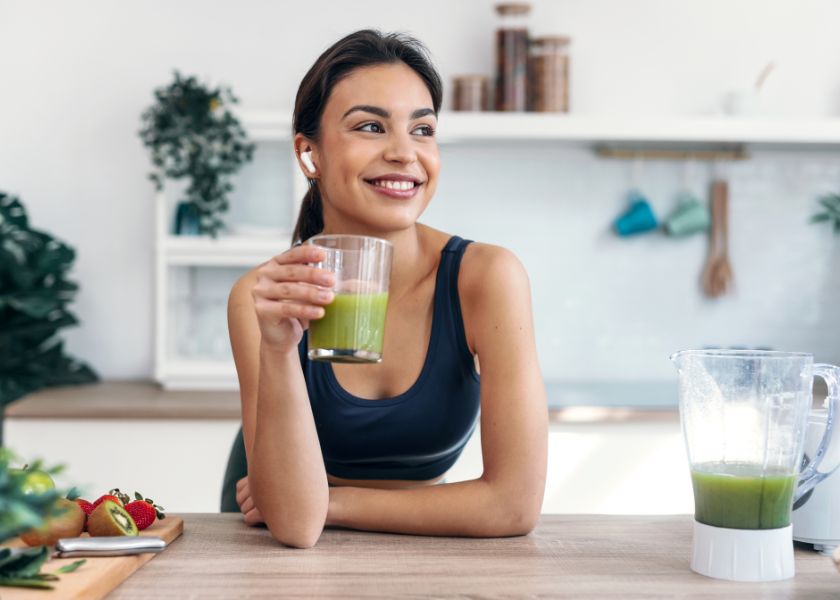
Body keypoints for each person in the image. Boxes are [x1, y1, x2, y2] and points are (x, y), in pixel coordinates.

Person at [221, 29, 547, 548]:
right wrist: (282, 348)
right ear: (310, 154)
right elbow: (296, 525)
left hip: (419, 545)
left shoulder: (486, 277)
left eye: (422, 129)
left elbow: (512, 505)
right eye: (371, 127)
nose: (404, 152)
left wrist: (336, 500)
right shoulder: (264, 296)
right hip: (288, 554)